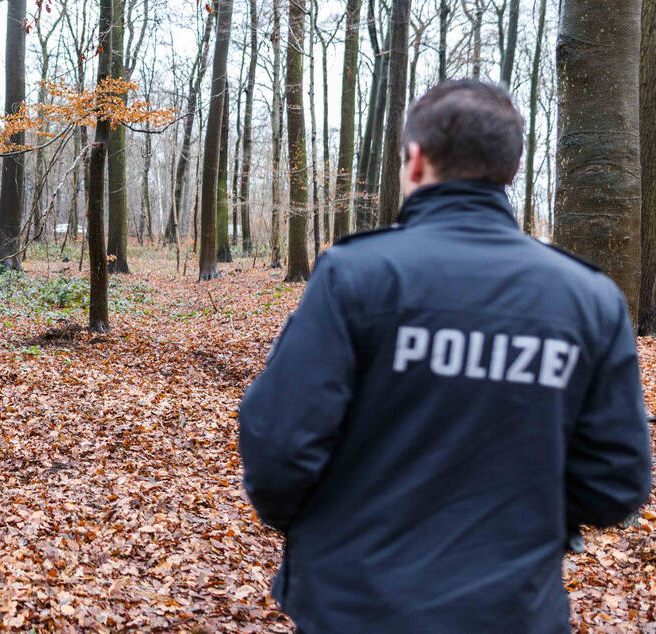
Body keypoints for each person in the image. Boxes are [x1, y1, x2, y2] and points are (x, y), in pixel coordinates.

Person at [238, 79, 652, 633]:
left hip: (356, 604)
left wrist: (331, 528)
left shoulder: (355, 275)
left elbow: (279, 449)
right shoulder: (588, 299)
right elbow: (616, 481)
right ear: (509, 169)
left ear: (414, 161)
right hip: (512, 608)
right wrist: (521, 515)